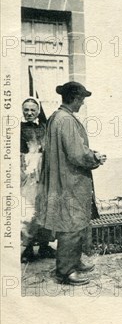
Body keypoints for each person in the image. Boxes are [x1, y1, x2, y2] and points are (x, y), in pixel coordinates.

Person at [36, 81, 107, 286]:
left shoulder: (55, 117)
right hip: (70, 180)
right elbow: (77, 154)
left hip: (61, 177)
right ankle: (66, 271)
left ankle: (74, 262)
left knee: (73, 222)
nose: (82, 103)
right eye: (82, 99)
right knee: (71, 224)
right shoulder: (66, 120)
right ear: (75, 98)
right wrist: (95, 157)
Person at [20, 97, 55, 262]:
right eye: (26, 110)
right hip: (28, 174)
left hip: (45, 173)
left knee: (46, 209)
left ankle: (44, 245)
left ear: (38, 112)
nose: (29, 113)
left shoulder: (44, 127)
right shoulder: (17, 129)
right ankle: (27, 247)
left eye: (32, 110)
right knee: (29, 210)